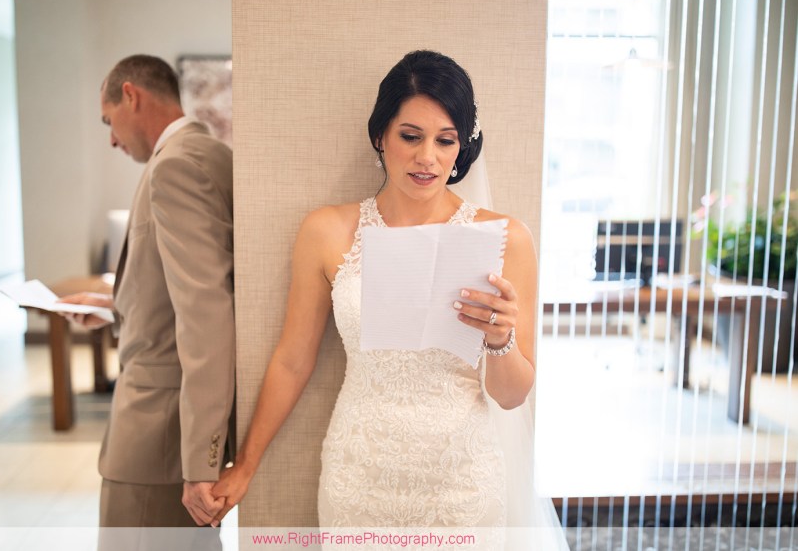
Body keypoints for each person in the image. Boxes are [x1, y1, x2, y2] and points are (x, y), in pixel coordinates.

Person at [211, 50, 567, 547]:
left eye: (446, 141)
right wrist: (244, 466)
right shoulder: (327, 231)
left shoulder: (506, 238)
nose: (428, 158)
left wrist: (501, 339)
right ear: (381, 136)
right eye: (411, 136)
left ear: (463, 146)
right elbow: (293, 360)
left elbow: (512, 396)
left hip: (462, 486)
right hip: (360, 478)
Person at [58, 54, 235, 540]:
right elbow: (179, 289)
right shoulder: (209, 153)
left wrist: (202, 456)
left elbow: (207, 312)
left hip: (158, 434)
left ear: (131, 96)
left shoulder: (176, 166)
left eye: (108, 120)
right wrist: (114, 309)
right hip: (170, 429)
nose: (112, 138)